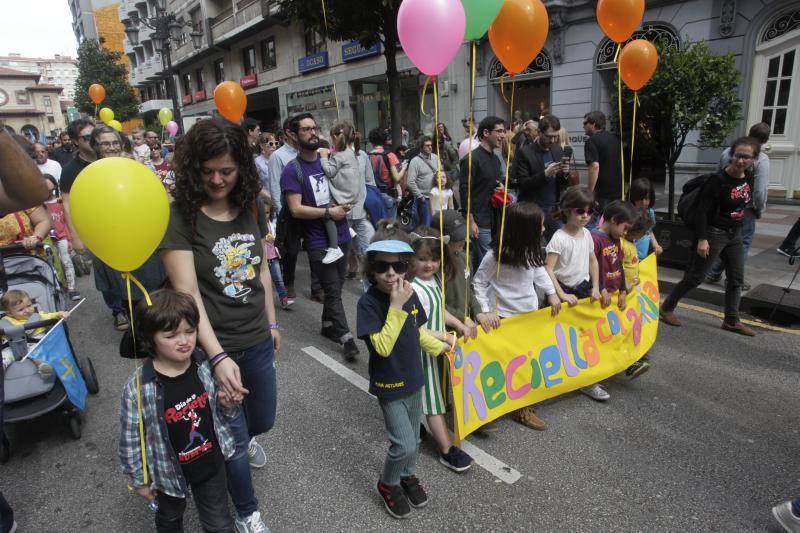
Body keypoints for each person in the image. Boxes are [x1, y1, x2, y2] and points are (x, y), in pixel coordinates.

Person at [161, 118, 275, 533]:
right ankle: (248, 514)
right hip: (213, 347)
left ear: (241, 168)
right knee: (236, 441)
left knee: (262, 420)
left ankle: (242, 438)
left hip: (258, 338)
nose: (216, 179)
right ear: (194, 168)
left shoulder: (251, 206)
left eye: (225, 171)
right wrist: (218, 355)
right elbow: (187, 293)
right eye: (207, 171)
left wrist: (273, 323)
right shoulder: (180, 215)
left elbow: (260, 269)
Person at [118, 290, 236, 533]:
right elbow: (131, 441)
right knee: (170, 518)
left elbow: (220, 415)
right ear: (149, 339)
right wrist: (139, 480)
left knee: (219, 521)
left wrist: (227, 404)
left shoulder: (204, 366)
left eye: (190, 331)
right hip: (167, 474)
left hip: (210, 464)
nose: (185, 341)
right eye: (171, 335)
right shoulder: (138, 388)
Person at [356, 235, 450, 519]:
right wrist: (395, 305)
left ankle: (407, 475)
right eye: (383, 267)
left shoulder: (408, 294)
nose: (391, 273)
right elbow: (382, 347)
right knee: (403, 443)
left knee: (415, 442)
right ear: (371, 270)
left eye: (398, 266)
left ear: (406, 268)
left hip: (414, 379)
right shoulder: (369, 304)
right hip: (390, 384)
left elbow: (417, 332)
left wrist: (443, 348)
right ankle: (387, 483)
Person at [660, 137, 760, 337]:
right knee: (696, 277)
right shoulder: (718, 181)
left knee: (736, 279)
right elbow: (701, 212)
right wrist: (702, 239)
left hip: (735, 233)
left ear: (753, 159)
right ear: (731, 155)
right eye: (738, 155)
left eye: (746, 157)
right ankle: (667, 307)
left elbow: (743, 202)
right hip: (714, 233)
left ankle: (731, 321)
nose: (741, 160)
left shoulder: (749, 176)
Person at [472, 202, 560, 430]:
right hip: (501, 319)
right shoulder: (494, 255)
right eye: (539, 226)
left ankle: (522, 409)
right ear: (526, 230)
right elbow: (479, 283)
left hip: (528, 318)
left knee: (525, 364)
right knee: (497, 365)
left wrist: (551, 293)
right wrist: (485, 311)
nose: (543, 229)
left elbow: (540, 272)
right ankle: (486, 411)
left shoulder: (533, 251)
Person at [280, 113, 359, 360]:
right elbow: (295, 209)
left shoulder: (330, 160)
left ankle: (327, 325)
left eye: (314, 128)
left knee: (337, 283)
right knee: (332, 290)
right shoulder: (292, 171)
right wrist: (328, 212)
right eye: (306, 130)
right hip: (317, 241)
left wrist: (346, 204)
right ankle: (346, 338)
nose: (313, 133)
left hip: (343, 234)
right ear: (293, 136)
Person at [408, 227, 473, 472]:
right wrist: (445, 336)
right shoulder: (413, 289)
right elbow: (416, 329)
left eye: (434, 259)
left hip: (438, 349)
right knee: (433, 401)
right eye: (422, 259)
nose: (429, 265)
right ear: (411, 259)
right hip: (423, 351)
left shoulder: (434, 281)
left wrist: (459, 324)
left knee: (422, 396)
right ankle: (447, 450)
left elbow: (439, 310)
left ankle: (414, 426)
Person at [89, 126, 166, 331]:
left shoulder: (135, 166)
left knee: (152, 286)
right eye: (105, 143)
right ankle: (135, 328)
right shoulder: (89, 174)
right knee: (122, 288)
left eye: (114, 142)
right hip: (111, 238)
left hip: (141, 234)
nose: (111, 147)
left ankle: (156, 327)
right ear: (96, 146)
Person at [706, 122, 771, 289]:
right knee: (742, 243)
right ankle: (733, 278)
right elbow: (760, 190)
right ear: (764, 141)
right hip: (745, 207)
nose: (741, 161)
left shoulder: (728, 152)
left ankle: (716, 273)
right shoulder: (761, 159)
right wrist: (759, 207)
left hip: (724, 205)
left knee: (728, 241)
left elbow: (718, 174)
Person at [584, 200, 637, 401]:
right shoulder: (595, 239)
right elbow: (591, 267)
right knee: (595, 340)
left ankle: (611, 368)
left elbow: (619, 265)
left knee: (612, 334)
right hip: (600, 299)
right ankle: (589, 381)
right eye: (624, 228)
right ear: (614, 221)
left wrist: (622, 289)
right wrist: (602, 288)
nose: (625, 233)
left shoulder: (616, 239)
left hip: (613, 299)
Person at [512, 114, 569, 241]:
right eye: (549, 136)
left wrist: (565, 173)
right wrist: (545, 174)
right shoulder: (525, 152)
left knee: (555, 246)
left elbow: (563, 183)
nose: (553, 140)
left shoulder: (557, 149)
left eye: (556, 137)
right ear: (539, 132)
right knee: (532, 245)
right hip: (533, 210)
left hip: (554, 210)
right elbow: (522, 183)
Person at [459, 116, 506, 271]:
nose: (503, 135)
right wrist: (470, 221)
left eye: (504, 131)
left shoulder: (496, 159)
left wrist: (500, 188)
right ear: (486, 132)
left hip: (495, 217)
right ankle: (478, 292)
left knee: (492, 258)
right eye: (499, 131)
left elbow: (493, 184)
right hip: (479, 220)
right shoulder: (471, 159)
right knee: (485, 262)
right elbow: (464, 190)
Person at [545, 186, 601, 304]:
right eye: (580, 211)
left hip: (583, 288)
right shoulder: (559, 238)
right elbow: (548, 268)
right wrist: (561, 294)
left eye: (590, 211)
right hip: (562, 288)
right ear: (567, 211)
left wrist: (595, 287)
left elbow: (593, 261)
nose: (585, 215)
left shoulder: (587, 233)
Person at [0, 289, 68, 380]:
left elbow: (51, 315)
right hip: (12, 346)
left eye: (29, 305)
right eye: (21, 309)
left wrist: (60, 314)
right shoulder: (5, 321)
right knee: (4, 357)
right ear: (10, 313)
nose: (27, 310)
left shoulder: (37, 316)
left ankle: (44, 368)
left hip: (35, 344)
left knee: (39, 355)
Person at [320, 121, 361, 265]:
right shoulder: (352, 153)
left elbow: (330, 172)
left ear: (335, 137)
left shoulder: (340, 154)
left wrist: (324, 157)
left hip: (342, 195)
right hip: (352, 196)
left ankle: (333, 247)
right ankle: (348, 229)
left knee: (327, 214)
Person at [620, 211, 653, 379]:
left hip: (630, 294)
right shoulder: (622, 244)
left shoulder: (630, 243)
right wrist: (622, 288)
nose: (643, 236)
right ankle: (630, 363)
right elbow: (616, 267)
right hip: (620, 295)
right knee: (623, 329)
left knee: (633, 326)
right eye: (643, 233)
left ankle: (636, 356)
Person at [60, 118, 96, 253]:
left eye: (95, 135)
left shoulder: (109, 159)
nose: (92, 140)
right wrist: (75, 237)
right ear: (75, 141)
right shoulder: (70, 170)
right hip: (92, 230)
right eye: (87, 137)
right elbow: (67, 204)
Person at [42, 174, 80, 301]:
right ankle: (57, 288)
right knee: (52, 263)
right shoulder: (40, 206)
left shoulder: (59, 202)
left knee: (66, 262)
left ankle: (72, 288)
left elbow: (66, 221)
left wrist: (69, 239)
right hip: (48, 238)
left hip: (62, 236)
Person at [583, 111, 623, 214]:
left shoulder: (591, 141)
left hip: (602, 194)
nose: (583, 126)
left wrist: (590, 192)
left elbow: (594, 167)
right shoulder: (614, 139)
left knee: (600, 225)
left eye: (585, 123)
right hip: (617, 191)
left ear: (593, 125)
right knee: (614, 222)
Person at [262, 196, 293, 309]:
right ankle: (262, 303)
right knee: (262, 282)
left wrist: (274, 239)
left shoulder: (271, 224)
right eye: (262, 212)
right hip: (262, 259)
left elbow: (276, 236)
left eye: (267, 212)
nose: (265, 215)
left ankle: (284, 300)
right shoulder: (255, 226)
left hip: (273, 256)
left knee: (279, 280)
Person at [368, 128, 405, 221]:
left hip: (371, 194)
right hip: (388, 194)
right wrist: (404, 167)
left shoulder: (367, 155)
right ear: (385, 140)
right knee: (389, 226)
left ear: (371, 141)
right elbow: (397, 178)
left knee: (376, 224)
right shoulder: (390, 155)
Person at [407, 136, 440, 228]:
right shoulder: (415, 161)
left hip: (437, 197)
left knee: (437, 224)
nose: (430, 147)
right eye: (427, 145)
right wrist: (420, 196)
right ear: (421, 147)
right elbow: (410, 182)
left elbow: (441, 174)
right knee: (426, 225)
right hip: (425, 199)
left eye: (431, 145)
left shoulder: (435, 157)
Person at [627, 178, 663, 259]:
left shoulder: (650, 212)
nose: (643, 203)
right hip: (628, 256)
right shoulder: (627, 211)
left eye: (646, 198)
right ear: (633, 196)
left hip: (642, 257)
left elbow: (649, 231)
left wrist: (656, 245)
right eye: (640, 199)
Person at [255, 132, 279, 200]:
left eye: (276, 143)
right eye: (271, 143)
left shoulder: (279, 159)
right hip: (266, 201)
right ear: (262, 146)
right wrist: (270, 198)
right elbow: (254, 185)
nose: (274, 146)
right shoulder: (257, 162)